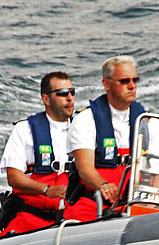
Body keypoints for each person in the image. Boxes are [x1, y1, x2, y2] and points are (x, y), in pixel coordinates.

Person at [63, 55, 147, 222]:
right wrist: (103, 185)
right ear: (106, 84)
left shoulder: (147, 120)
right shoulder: (86, 119)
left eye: (134, 80)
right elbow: (85, 168)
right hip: (94, 204)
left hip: (133, 203)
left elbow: (158, 165)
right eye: (124, 81)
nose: (131, 86)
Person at [0, 71, 76, 236]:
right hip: (29, 219)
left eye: (72, 92)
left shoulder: (83, 130)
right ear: (46, 99)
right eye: (62, 93)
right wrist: (47, 190)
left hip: (69, 222)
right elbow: (14, 177)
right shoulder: (24, 130)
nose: (69, 98)